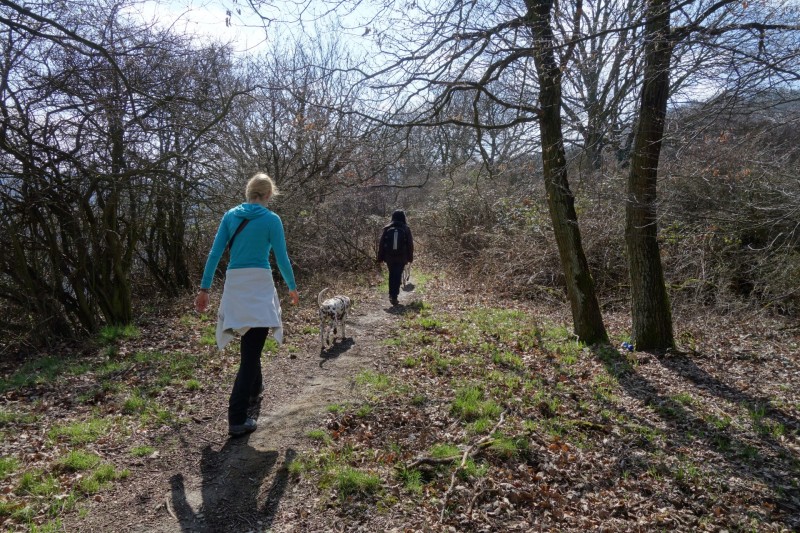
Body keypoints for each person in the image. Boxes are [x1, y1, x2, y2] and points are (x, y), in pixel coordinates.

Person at [194, 172, 299, 437]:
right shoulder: (272, 219)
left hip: (236, 285)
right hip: (260, 284)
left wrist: (204, 289)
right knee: (252, 350)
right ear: (269, 194)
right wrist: (292, 286)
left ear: (249, 192)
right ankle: (237, 417)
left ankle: (254, 389)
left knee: (251, 344)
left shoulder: (230, 216)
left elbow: (215, 253)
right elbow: (282, 257)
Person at [377, 210, 414, 306]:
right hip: (402, 257)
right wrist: (410, 258)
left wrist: (380, 257)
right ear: (403, 217)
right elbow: (410, 245)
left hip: (389, 257)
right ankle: (394, 296)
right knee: (397, 275)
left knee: (392, 274)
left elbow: (381, 244)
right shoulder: (406, 228)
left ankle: (391, 294)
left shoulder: (387, 228)